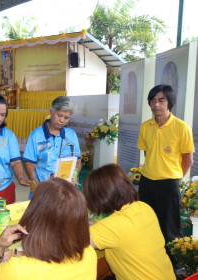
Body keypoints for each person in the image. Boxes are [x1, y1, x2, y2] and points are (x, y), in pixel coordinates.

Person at [0, 177, 97, 280]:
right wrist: (14, 253)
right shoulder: (89, 254)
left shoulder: (15, 271)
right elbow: (54, 253)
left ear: (34, 215)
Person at [83, 164, 175, 280]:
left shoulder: (114, 226)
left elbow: (70, 241)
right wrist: (97, 226)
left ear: (99, 197)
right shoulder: (144, 207)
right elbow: (124, 233)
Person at [137, 84, 194, 245]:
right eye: (153, 100)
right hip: (146, 182)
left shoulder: (181, 127)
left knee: (171, 229)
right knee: (146, 223)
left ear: (170, 102)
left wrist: (175, 178)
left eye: (161, 100)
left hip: (169, 184)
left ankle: (174, 266)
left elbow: (188, 159)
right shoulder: (145, 126)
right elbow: (147, 153)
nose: (156, 105)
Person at [23, 96, 81, 198]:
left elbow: (77, 161)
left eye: (66, 118)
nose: (62, 120)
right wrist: (34, 182)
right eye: (59, 115)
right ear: (51, 112)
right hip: (42, 188)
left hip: (65, 190)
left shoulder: (71, 135)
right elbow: (30, 163)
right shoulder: (36, 134)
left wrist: (74, 177)